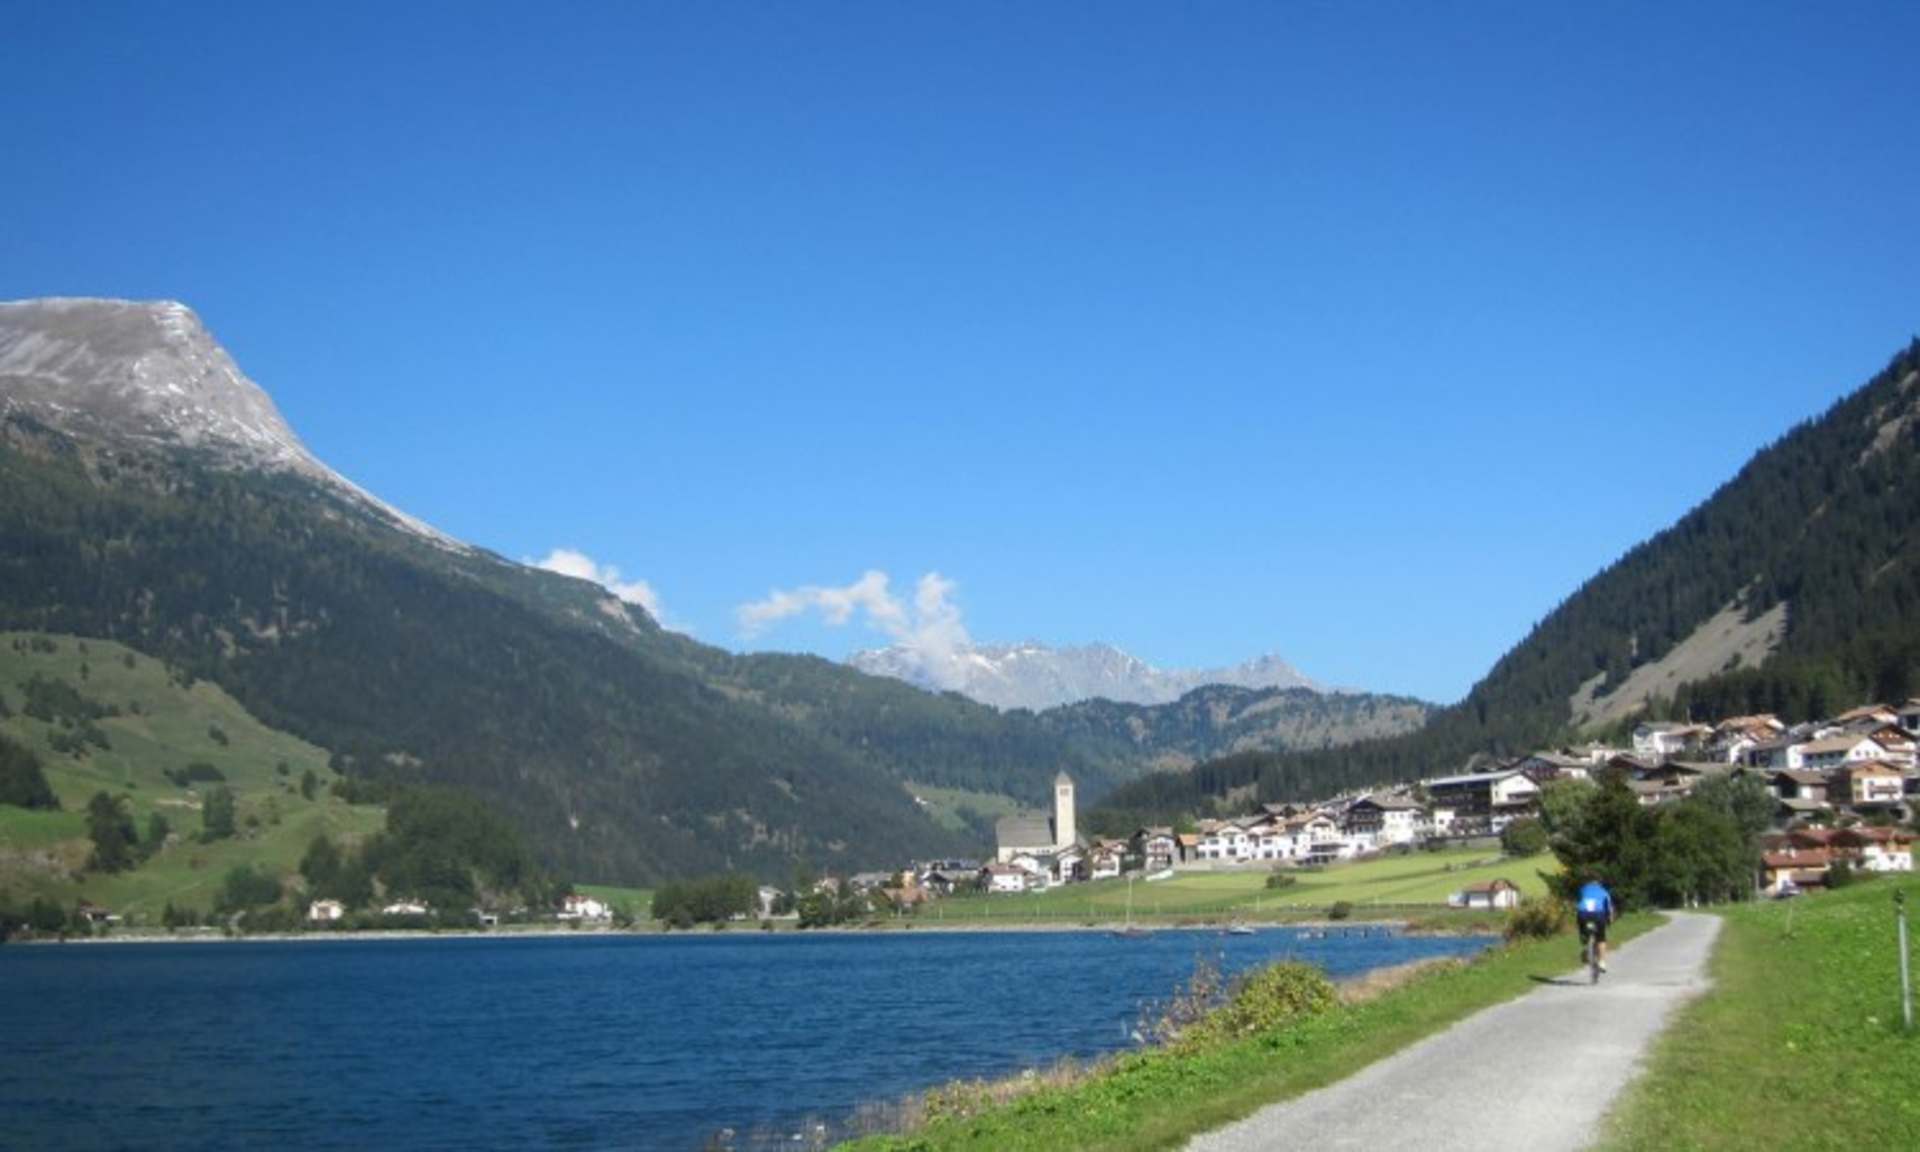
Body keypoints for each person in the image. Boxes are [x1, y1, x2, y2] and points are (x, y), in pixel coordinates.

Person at [1576, 875, 1616, 972]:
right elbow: (1609, 908)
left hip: (1583, 914)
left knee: (1582, 928)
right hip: (1598, 916)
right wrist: (1610, 919)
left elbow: (1578, 902)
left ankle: (1585, 940)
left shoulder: (1583, 889)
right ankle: (1602, 962)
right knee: (1601, 939)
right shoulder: (1604, 892)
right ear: (1599, 883)